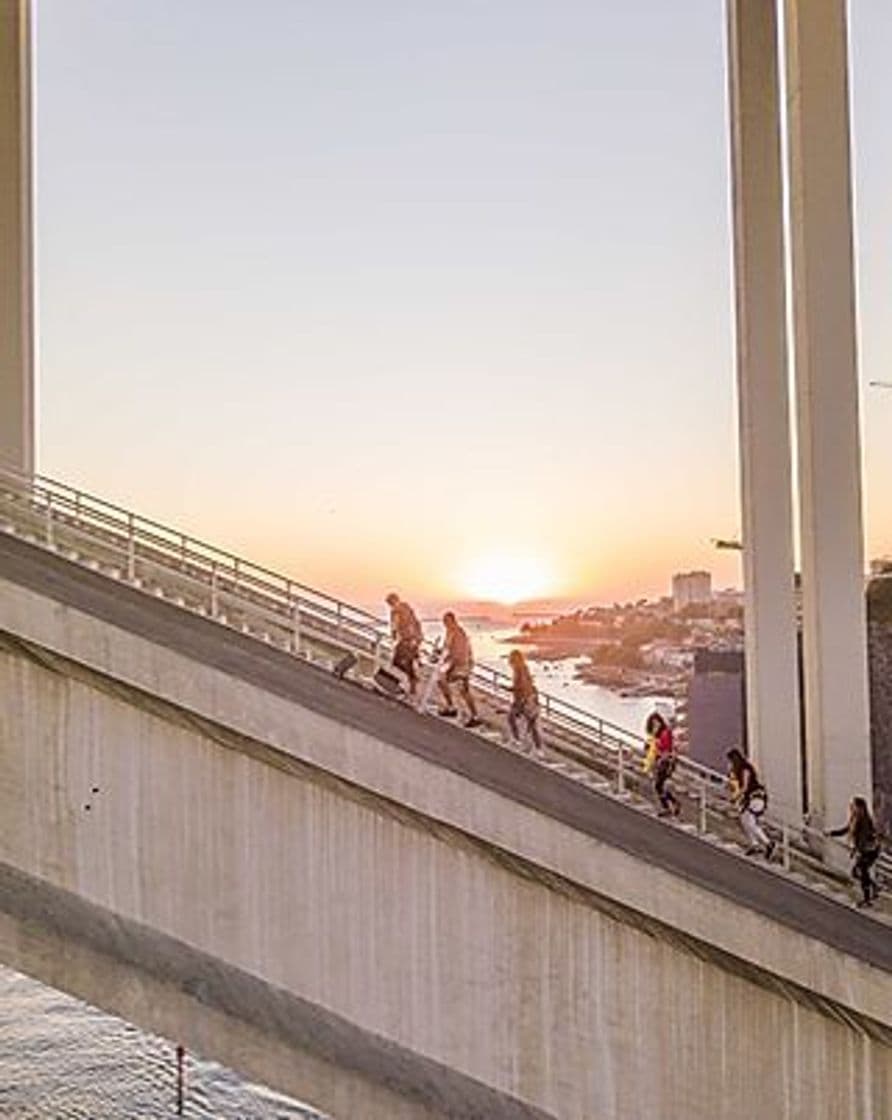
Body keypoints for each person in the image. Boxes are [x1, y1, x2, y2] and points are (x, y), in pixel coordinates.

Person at [827, 797, 882, 908]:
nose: (851, 807)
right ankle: (873, 889)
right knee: (859, 872)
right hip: (865, 850)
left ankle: (868, 898)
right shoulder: (855, 818)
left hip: (869, 850)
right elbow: (846, 830)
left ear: (860, 807)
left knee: (861, 871)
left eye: (854, 805)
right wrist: (832, 833)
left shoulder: (865, 820)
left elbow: (863, 837)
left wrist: (857, 851)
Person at [726, 747, 775, 859]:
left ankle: (767, 843)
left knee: (750, 822)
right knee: (745, 820)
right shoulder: (739, 770)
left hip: (756, 797)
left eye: (730, 761)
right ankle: (755, 844)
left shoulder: (745, 768)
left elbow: (745, 787)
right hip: (750, 798)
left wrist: (736, 797)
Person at [437, 611, 481, 728]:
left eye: (446, 622)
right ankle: (452, 707)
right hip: (455, 664)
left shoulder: (458, 633)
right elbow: (447, 648)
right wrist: (440, 654)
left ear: (452, 620)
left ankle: (474, 716)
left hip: (462, 665)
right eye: (444, 622)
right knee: (442, 681)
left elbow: (460, 651)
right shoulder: (450, 632)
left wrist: (451, 663)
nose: (445, 624)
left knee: (463, 690)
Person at [385, 592, 423, 698]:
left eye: (390, 603)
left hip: (407, 639)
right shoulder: (407, 608)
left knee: (396, 661)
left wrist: (393, 636)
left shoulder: (396, 611)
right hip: (413, 639)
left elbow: (395, 625)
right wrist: (418, 638)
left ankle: (413, 680)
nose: (390, 605)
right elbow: (415, 623)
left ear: (393, 601)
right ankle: (413, 686)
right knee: (409, 662)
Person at [507, 649, 542, 752]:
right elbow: (527, 684)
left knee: (512, 718)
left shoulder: (519, 670)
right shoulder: (524, 668)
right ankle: (537, 749)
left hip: (524, 699)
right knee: (531, 724)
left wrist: (512, 689)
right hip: (530, 698)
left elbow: (522, 686)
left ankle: (517, 740)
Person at [646, 711, 679, 818]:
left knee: (658, 785)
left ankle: (669, 806)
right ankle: (672, 804)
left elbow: (666, 749)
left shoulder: (665, 733)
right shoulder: (658, 735)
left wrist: (659, 754)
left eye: (657, 723)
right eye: (653, 724)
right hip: (662, 761)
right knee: (659, 785)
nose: (656, 725)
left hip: (666, 762)